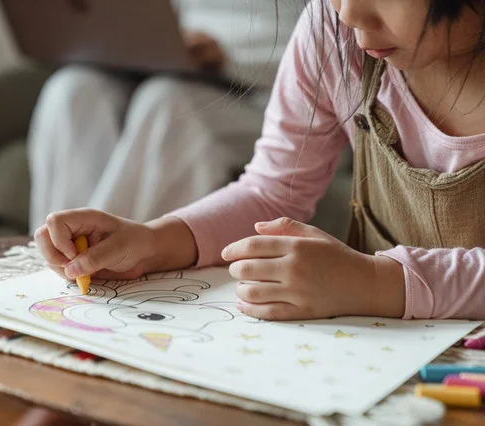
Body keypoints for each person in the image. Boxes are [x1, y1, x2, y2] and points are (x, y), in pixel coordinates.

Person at [34, 0, 485, 324]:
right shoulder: (333, 33)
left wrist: (374, 283)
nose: (348, 12)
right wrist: (153, 240)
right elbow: (270, 193)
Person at [28, 0, 301, 230]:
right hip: (185, 69)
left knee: (168, 103)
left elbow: (320, 48)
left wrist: (227, 57)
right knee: (71, 89)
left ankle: (107, 262)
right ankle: (51, 254)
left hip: (265, 91)